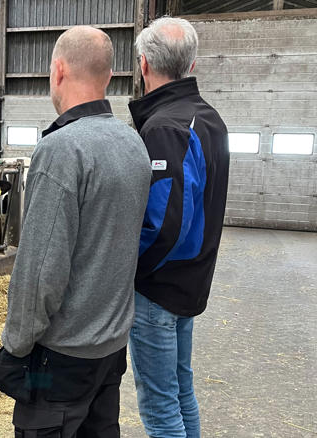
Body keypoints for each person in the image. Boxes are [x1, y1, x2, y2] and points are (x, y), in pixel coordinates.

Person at [0, 25, 152, 437]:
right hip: (110, 351)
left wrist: (15, 347)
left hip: (59, 361)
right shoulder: (133, 143)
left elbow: (40, 270)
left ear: (58, 70)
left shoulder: (62, 150)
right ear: (108, 76)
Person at [128, 16, 230, 438]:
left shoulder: (166, 127)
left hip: (158, 289)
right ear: (191, 65)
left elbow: (162, 225)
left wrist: (130, 271)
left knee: (159, 407)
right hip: (189, 280)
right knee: (180, 389)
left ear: (144, 63)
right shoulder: (209, 118)